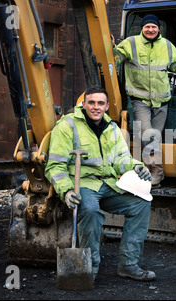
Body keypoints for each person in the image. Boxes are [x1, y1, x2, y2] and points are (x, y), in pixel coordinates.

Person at [45, 86, 156, 281]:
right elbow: (55, 166)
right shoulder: (67, 126)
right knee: (90, 210)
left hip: (108, 183)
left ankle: (128, 264)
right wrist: (67, 191)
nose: (96, 107)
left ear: (106, 107)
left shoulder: (111, 128)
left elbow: (121, 158)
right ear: (84, 104)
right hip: (82, 184)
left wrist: (136, 166)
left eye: (100, 103)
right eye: (92, 102)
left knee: (141, 203)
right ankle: (89, 268)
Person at [113, 14, 176, 188]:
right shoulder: (131, 43)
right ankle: (157, 173)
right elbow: (115, 58)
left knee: (152, 138)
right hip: (140, 101)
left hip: (162, 103)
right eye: (147, 26)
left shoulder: (167, 46)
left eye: (153, 27)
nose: (150, 29)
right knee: (149, 137)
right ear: (142, 28)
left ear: (158, 29)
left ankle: (151, 173)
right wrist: (109, 45)